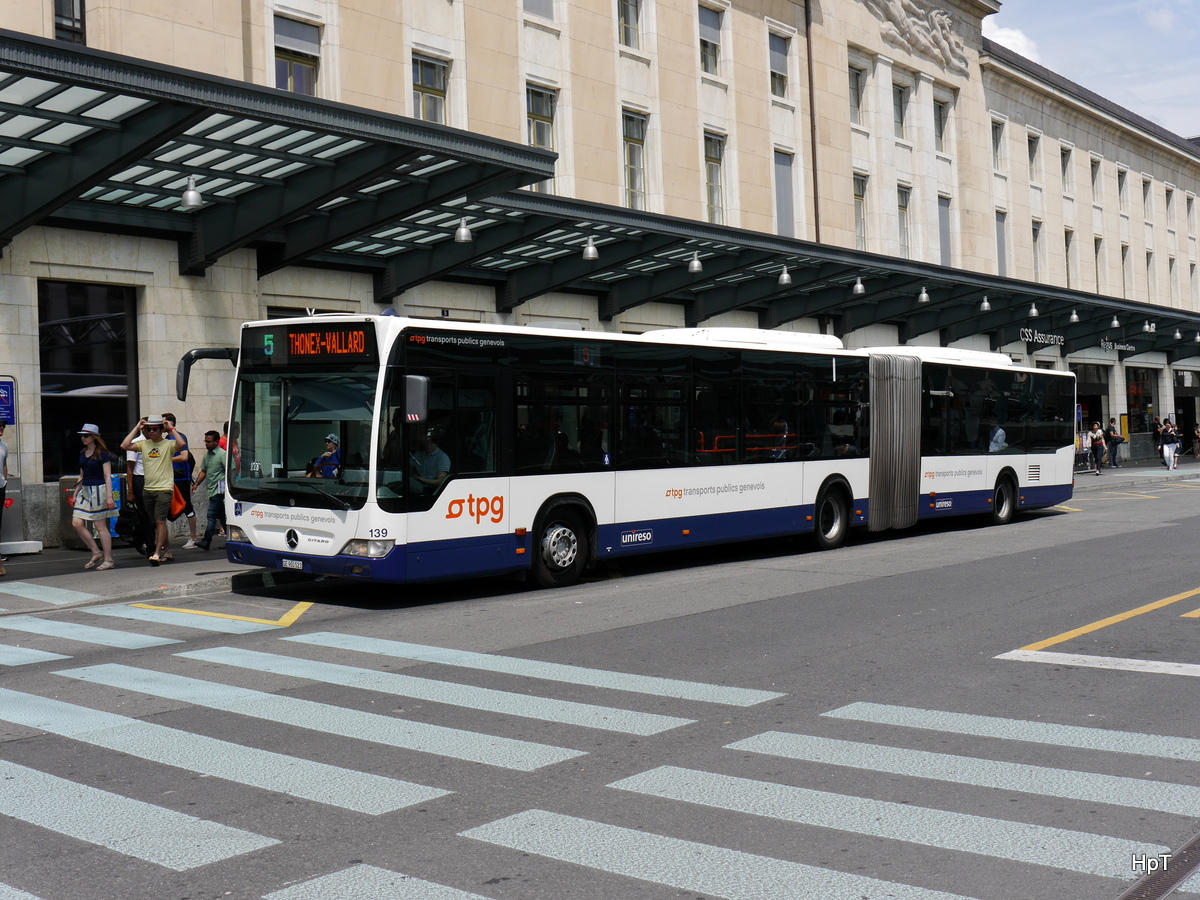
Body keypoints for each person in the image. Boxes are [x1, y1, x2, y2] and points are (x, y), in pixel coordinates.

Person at [121, 415, 184, 566]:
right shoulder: (143, 444)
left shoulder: (168, 444)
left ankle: (156, 553)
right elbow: (124, 445)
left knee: (160, 520)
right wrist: (137, 428)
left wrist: (171, 428)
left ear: (161, 430)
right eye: (149, 429)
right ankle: (162, 550)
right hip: (147, 489)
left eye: (155, 429)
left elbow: (181, 444)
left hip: (164, 488)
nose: (152, 432)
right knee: (152, 521)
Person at [72, 424, 118, 570]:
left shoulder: (102, 454)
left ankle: (109, 559)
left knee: (100, 526)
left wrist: (109, 496)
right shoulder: (82, 453)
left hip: (99, 490)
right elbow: (82, 475)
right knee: (76, 523)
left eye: (86, 435)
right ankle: (96, 552)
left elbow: (107, 476)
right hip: (85, 490)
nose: (83, 438)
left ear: (94, 437)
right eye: (81, 435)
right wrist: (75, 492)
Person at [162, 413, 198, 549]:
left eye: (164, 423)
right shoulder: (166, 438)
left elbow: (184, 456)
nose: (162, 425)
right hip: (170, 478)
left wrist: (165, 459)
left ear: (170, 423)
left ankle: (193, 538)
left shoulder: (180, 437)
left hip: (181, 478)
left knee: (187, 506)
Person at [191, 430, 226, 551]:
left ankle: (206, 540)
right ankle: (232, 539)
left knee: (211, 515)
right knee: (222, 516)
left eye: (209, 442)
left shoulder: (222, 454)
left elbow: (230, 471)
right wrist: (196, 484)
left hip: (219, 490)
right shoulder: (207, 455)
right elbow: (203, 471)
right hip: (211, 489)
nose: (206, 444)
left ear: (216, 442)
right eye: (205, 441)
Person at [409, 428, 450, 493]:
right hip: (417, 487)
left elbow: (440, 481)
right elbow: (409, 468)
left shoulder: (442, 457)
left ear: (428, 437)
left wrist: (418, 479)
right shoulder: (418, 455)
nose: (417, 437)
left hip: (433, 492)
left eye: (420, 434)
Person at [0, 419, 8, 575]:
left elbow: (4, 464)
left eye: (3, 427)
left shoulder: (4, 446)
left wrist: (5, 481)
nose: (1, 429)